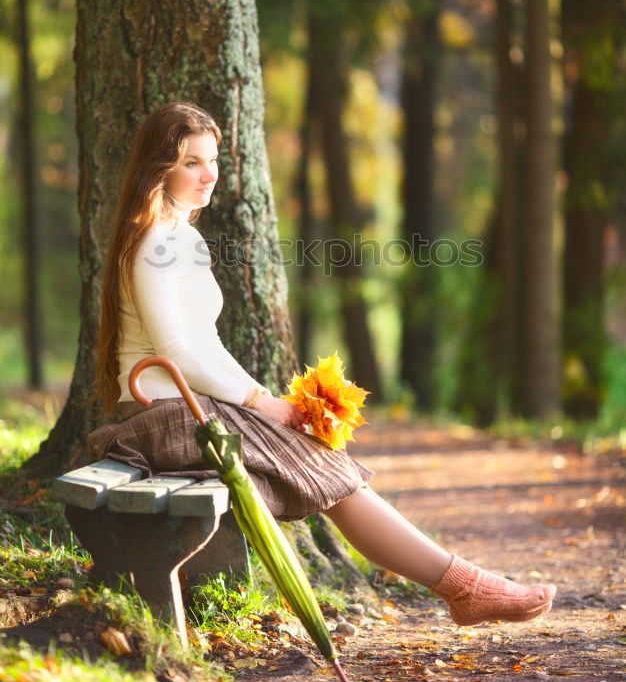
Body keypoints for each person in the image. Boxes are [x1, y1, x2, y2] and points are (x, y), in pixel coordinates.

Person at [90, 101, 556, 628]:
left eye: (212, 159)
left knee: (323, 462)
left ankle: (463, 585)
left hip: (190, 407)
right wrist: (258, 403)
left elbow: (208, 344)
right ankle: (463, 586)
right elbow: (175, 353)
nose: (208, 173)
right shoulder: (154, 240)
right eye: (191, 162)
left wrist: (264, 400)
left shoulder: (183, 238)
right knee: (325, 468)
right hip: (164, 416)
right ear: (160, 168)